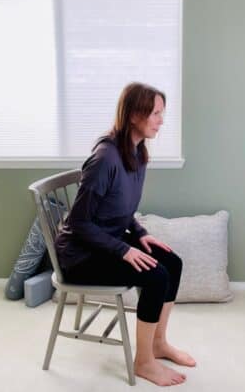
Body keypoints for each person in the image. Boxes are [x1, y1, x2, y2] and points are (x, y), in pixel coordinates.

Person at [55, 82, 196, 387]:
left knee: (172, 262)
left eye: (162, 113)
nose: (161, 120)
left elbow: (117, 206)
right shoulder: (106, 158)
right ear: (134, 114)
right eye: (156, 113)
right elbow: (78, 222)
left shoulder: (136, 152)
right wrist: (123, 250)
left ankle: (158, 344)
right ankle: (144, 362)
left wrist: (140, 233)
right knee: (156, 275)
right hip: (80, 255)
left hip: (107, 238)